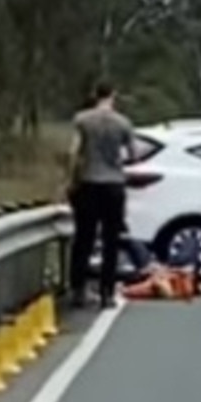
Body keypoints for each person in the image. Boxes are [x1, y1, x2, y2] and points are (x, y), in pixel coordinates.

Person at [66, 80, 135, 308]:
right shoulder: (123, 123)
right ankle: (107, 293)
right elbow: (132, 155)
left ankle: (78, 290)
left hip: (89, 182)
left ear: (95, 95)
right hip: (113, 185)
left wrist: (72, 179)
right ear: (113, 96)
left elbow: (73, 153)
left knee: (84, 238)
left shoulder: (83, 120)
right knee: (110, 241)